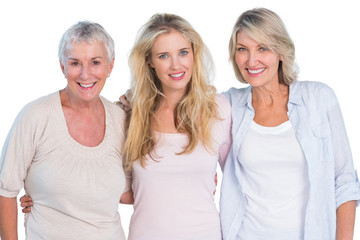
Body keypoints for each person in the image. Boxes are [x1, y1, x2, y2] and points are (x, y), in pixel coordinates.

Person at [219, 8, 360, 240]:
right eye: (242, 49)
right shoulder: (229, 105)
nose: (251, 60)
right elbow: (184, 114)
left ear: (281, 51)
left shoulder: (319, 98)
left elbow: (343, 181)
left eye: (262, 48)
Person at [0, 21, 132, 240]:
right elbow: (5, 192)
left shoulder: (121, 120)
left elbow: (126, 193)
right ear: (62, 67)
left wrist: (192, 180)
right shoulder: (36, 116)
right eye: (75, 63)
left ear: (110, 66)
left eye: (95, 62)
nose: (85, 74)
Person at [123, 13, 231, 240]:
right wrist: (44, 197)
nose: (176, 65)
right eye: (163, 55)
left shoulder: (218, 109)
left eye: (183, 52)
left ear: (194, 54)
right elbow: (111, 184)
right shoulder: (132, 113)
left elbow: (240, 177)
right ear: (150, 61)